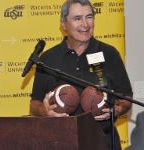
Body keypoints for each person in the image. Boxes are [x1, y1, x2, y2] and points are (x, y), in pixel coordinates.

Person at [30, 0, 133, 150]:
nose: (85, 24)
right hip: (59, 142)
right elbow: (35, 103)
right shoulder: (48, 59)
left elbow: (126, 98)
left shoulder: (110, 54)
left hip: (103, 142)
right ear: (64, 24)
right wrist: (44, 111)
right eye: (77, 18)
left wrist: (116, 110)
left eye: (89, 17)